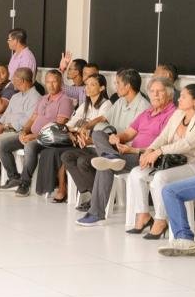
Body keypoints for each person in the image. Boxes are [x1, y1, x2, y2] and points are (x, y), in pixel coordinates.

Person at [125, 84, 195, 239]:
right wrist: (149, 151)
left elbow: (188, 144)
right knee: (136, 172)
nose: (179, 99)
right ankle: (143, 215)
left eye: (183, 96)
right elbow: (163, 137)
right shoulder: (178, 114)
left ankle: (161, 220)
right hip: (174, 162)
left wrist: (159, 151)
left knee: (160, 178)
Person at [77, 77, 176, 226]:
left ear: (169, 94)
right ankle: (110, 155)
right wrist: (116, 138)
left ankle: (96, 213)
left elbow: (164, 145)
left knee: (106, 165)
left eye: (159, 91)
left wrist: (134, 150)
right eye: (152, 91)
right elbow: (128, 134)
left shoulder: (173, 114)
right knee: (99, 133)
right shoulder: (147, 113)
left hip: (147, 156)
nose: (155, 95)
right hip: (128, 152)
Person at [63, 69, 148, 211]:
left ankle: (98, 195)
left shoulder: (143, 107)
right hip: (108, 147)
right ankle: (90, 192)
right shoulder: (120, 101)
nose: (115, 86)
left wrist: (95, 140)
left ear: (127, 86)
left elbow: (128, 136)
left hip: (123, 149)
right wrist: (87, 126)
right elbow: (103, 118)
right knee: (67, 156)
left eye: (118, 83)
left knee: (84, 160)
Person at [33, 73, 112, 201]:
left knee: (63, 153)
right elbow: (70, 123)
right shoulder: (85, 105)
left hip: (92, 143)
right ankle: (62, 188)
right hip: (78, 141)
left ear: (102, 88)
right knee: (50, 151)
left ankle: (79, 192)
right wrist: (72, 132)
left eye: (92, 85)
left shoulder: (106, 104)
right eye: (87, 85)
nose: (88, 88)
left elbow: (100, 120)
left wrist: (83, 127)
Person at [0, 69, 74, 197]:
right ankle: (14, 178)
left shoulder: (64, 100)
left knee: (30, 146)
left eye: (54, 82)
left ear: (61, 82)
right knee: (2, 144)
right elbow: (32, 118)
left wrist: (35, 136)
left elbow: (58, 127)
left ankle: (25, 183)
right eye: (48, 82)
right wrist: (24, 131)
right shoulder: (43, 98)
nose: (51, 85)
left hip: (51, 139)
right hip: (32, 134)